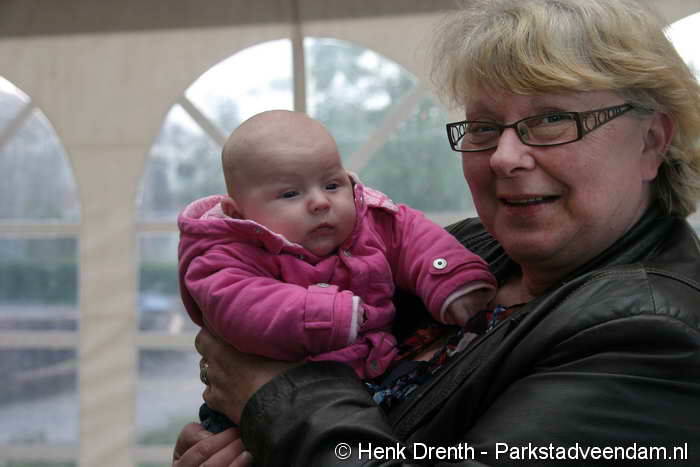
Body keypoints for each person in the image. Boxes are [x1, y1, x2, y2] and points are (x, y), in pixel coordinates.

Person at [173, 0, 700, 465]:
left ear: (652, 141)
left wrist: (274, 399)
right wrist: (243, 442)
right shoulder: (471, 248)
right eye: (484, 127)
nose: (504, 157)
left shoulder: (657, 334)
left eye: (551, 120)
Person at [177, 110, 497, 431]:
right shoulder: (225, 253)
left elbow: (409, 235)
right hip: (261, 409)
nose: (320, 202)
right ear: (238, 213)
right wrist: (327, 314)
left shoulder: (366, 220)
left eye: (332, 185)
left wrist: (451, 278)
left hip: (364, 383)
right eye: (290, 193)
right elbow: (240, 305)